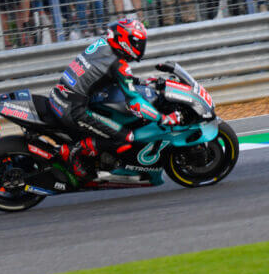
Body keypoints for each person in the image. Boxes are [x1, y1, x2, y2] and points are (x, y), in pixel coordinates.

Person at [47, 19, 181, 181]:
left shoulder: (103, 44)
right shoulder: (118, 64)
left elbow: (106, 75)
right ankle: (72, 152)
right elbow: (135, 103)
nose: (140, 47)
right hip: (74, 109)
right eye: (137, 43)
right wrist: (162, 118)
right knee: (125, 136)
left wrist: (142, 82)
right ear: (125, 40)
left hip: (60, 95)